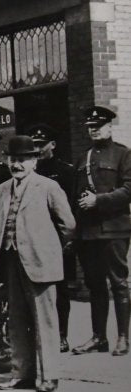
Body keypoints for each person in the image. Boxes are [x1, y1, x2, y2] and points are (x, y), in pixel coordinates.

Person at [0, 135, 75, 392]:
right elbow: (0, 224)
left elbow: (68, 225)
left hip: (40, 262)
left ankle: (48, 375)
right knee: (16, 320)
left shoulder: (48, 187)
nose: (16, 165)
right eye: (13, 159)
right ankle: (22, 374)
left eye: (22, 160)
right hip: (11, 260)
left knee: (45, 321)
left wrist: (50, 250)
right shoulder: (2, 190)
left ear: (34, 162)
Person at [71, 106, 131, 357]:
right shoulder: (83, 158)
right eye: (90, 127)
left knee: (118, 283)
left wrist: (99, 200)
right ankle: (98, 337)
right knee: (94, 284)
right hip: (89, 232)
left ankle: (123, 337)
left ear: (109, 127)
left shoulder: (123, 154)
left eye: (98, 126)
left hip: (114, 229)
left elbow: (128, 190)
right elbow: (76, 194)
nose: (94, 130)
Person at [27, 123, 76, 352]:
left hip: (56, 240)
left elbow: (71, 209)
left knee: (61, 290)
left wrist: (68, 241)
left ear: (52, 145)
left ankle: (61, 335)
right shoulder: (29, 172)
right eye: (34, 145)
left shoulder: (65, 172)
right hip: (33, 240)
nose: (38, 149)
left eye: (41, 144)